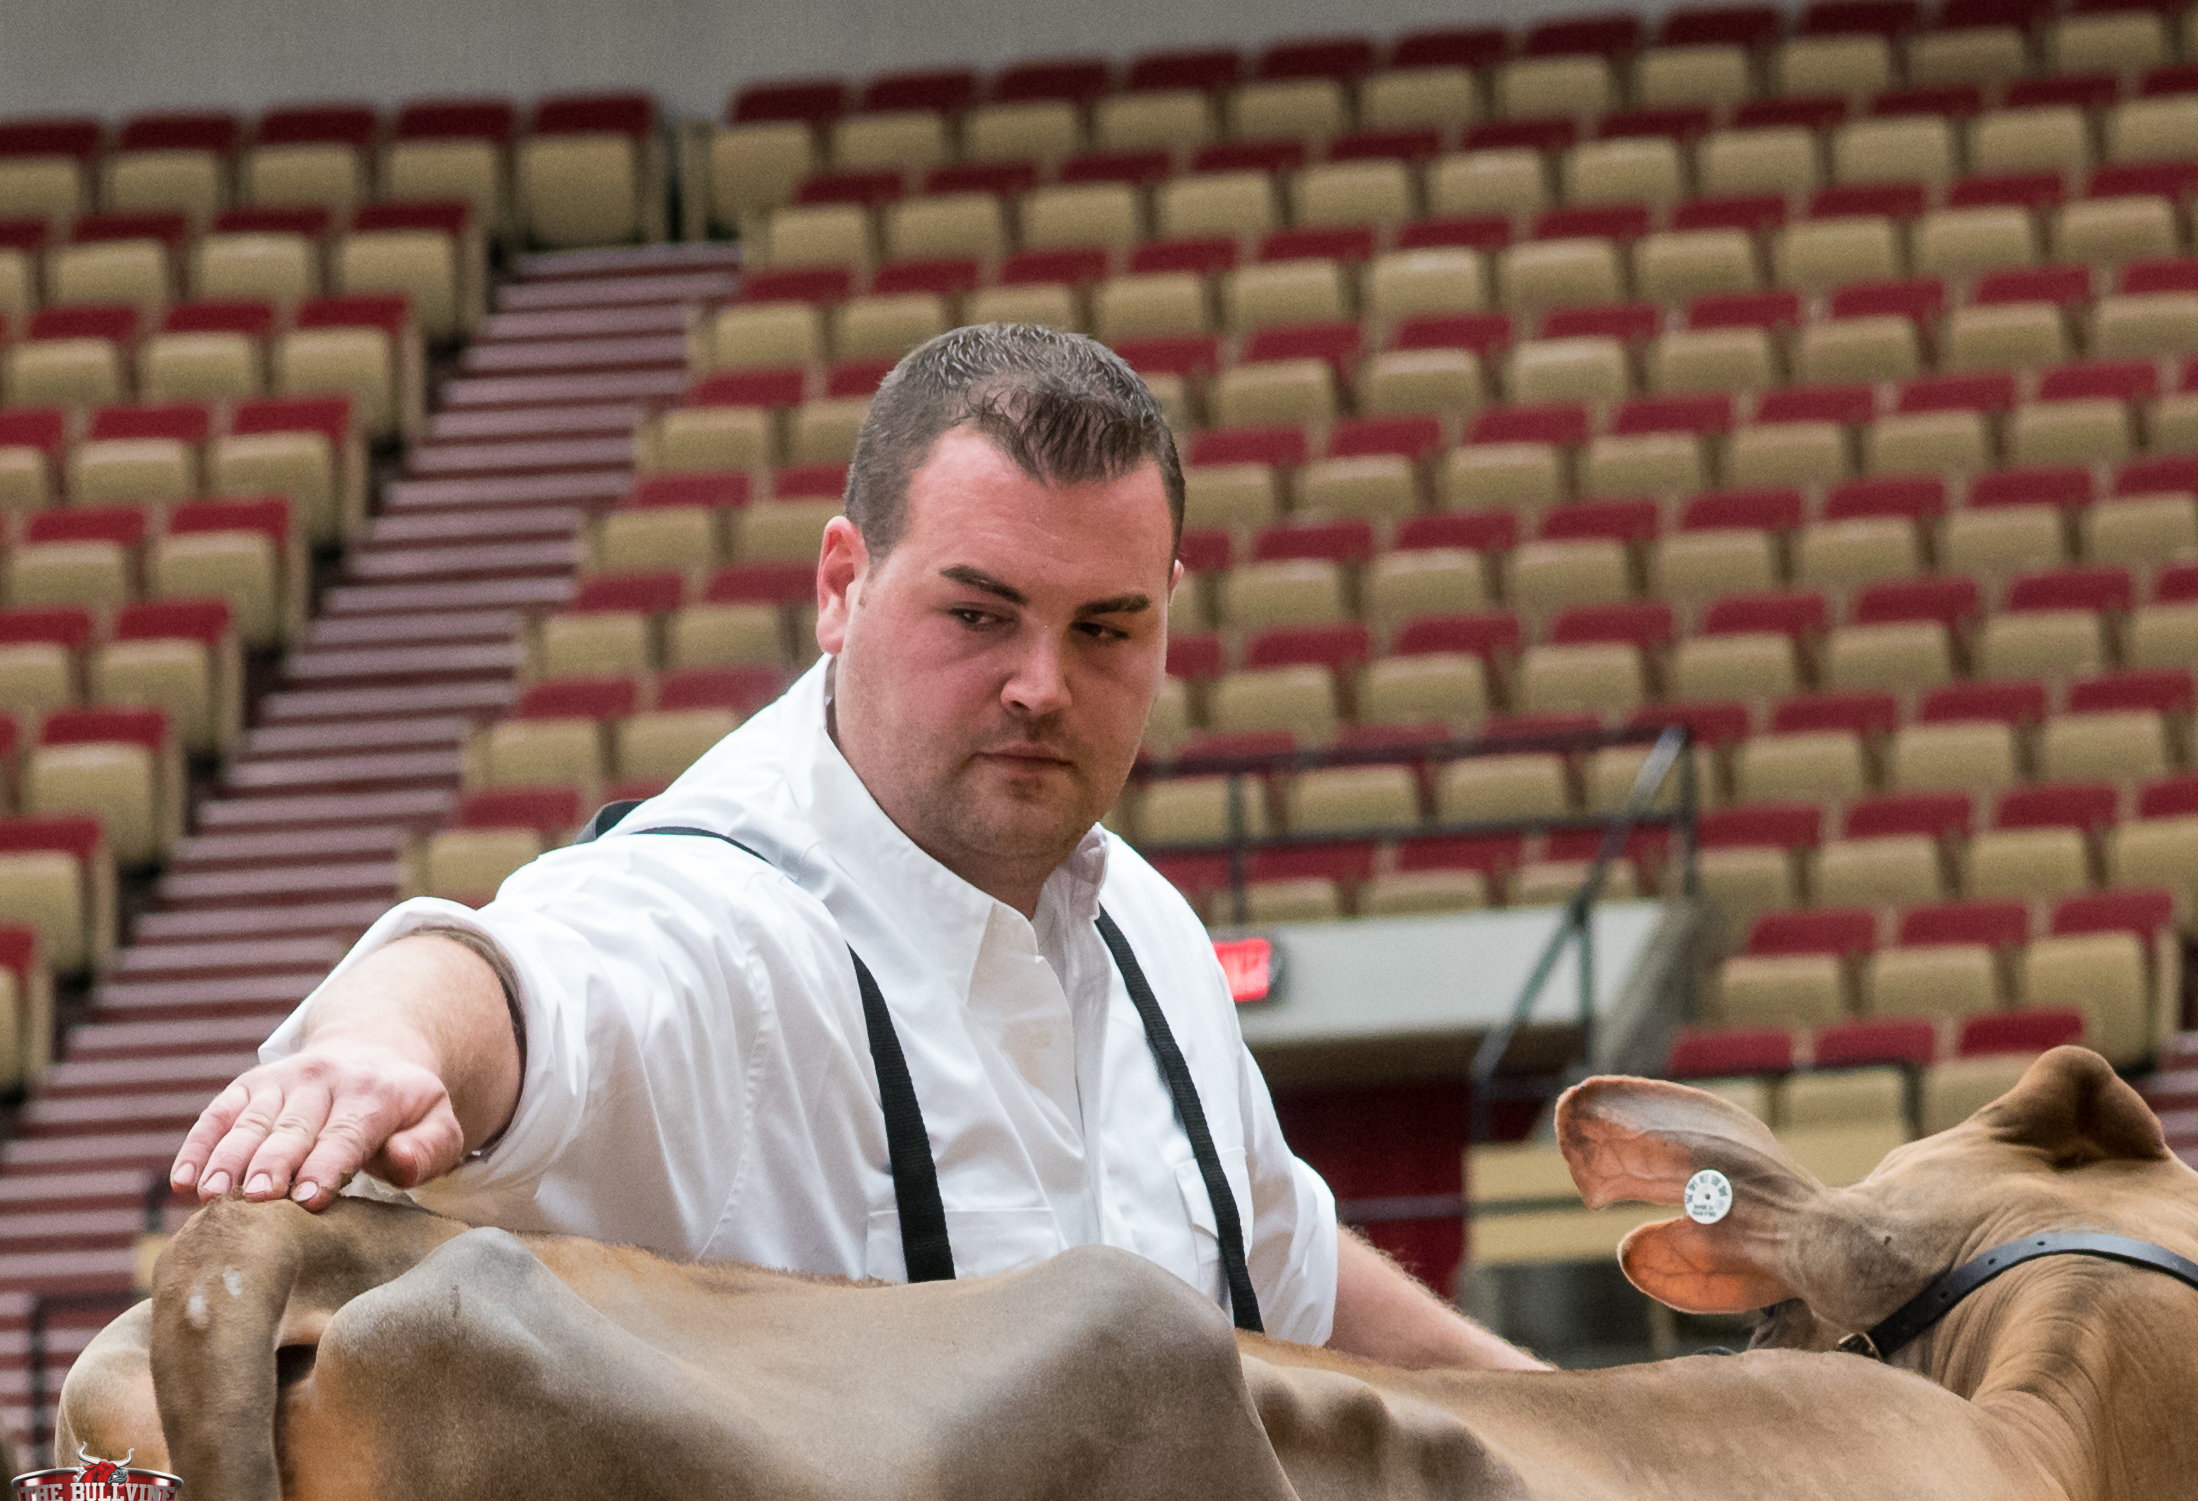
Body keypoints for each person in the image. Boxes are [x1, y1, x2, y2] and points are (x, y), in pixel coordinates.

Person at [171, 324, 1543, 1372]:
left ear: (1169, 614)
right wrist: (383, 1045)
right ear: (842, 585)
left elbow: (1289, 1270)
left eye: (1106, 629)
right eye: (980, 616)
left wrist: (1583, 1435)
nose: (1043, 686)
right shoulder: (719, 916)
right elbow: (514, 974)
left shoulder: (1153, 932)